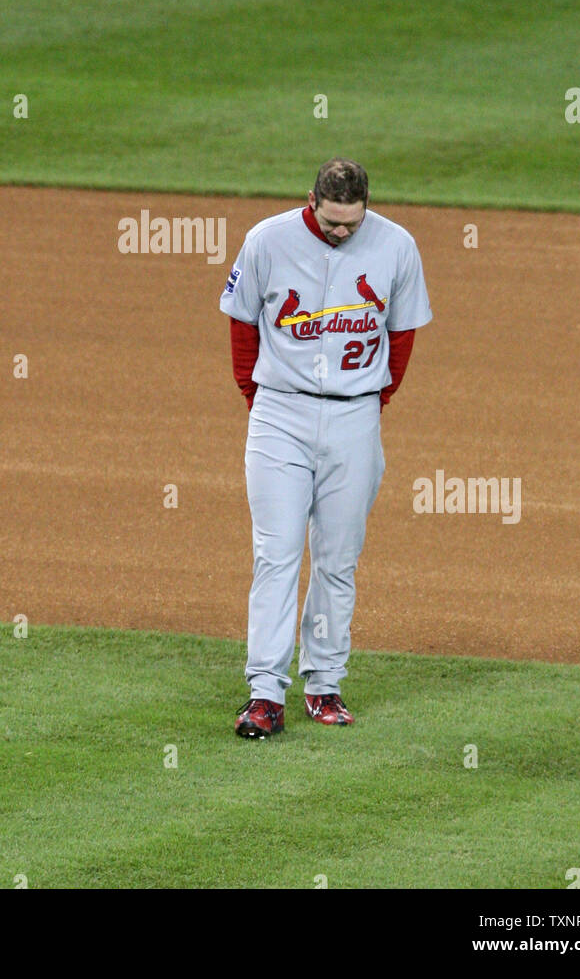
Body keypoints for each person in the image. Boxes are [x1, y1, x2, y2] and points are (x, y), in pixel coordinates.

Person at [219, 157, 432, 738]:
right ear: (310, 199)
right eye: (332, 221)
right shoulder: (268, 240)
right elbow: (242, 325)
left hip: (355, 417)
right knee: (277, 555)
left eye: (351, 223)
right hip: (278, 415)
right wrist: (258, 400)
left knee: (338, 560)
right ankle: (264, 693)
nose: (341, 231)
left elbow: (402, 335)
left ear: (366, 208)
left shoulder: (396, 246)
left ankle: (323, 685)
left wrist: (369, 407)